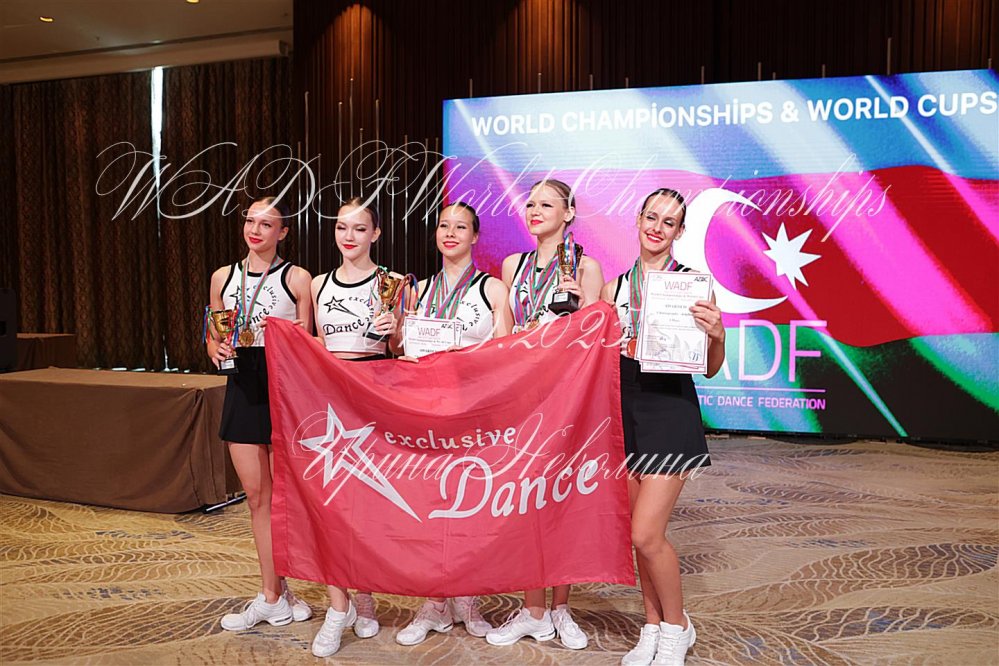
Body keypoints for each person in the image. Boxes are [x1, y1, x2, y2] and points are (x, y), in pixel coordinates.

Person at [602, 188, 724, 666]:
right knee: (638, 535)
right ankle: (651, 627)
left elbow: (710, 367)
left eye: (668, 222)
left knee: (645, 535)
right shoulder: (614, 288)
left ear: (680, 231)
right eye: (651, 217)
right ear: (638, 219)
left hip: (670, 411)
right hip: (626, 411)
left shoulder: (692, 285)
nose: (657, 227)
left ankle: (677, 628)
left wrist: (716, 335)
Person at [486, 178, 604, 650]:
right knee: (524, 499)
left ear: (569, 213)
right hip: (522, 395)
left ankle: (560, 607)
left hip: (566, 395)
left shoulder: (586, 266)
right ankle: (533, 610)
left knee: (560, 498)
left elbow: (597, 336)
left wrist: (583, 305)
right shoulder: (511, 265)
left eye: (547, 204)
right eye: (531, 203)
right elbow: (504, 332)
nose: (535, 210)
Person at [393, 201, 513, 646]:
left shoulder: (493, 289)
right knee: (429, 509)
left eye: (460, 227)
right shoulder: (417, 291)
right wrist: (400, 341)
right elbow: (400, 348)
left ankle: (467, 599)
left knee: (469, 509)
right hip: (426, 415)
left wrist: (467, 358)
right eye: (444, 226)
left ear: (475, 236)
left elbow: (506, 354)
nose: (450, 233)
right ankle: (433, 603)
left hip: (474, 415)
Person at [206, 196, 315, 632]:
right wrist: (213, 348)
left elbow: (309, 340)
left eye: (267, 224)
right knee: (257, 497)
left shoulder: (298, 278)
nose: (255, 230)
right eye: (251, 221)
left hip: (284, 390)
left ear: (282, 232)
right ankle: (275, 593)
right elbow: (214, 332)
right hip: (242, 387)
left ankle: (278, 593)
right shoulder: (222, 277)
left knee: (287, 499)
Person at [308, 196, 402, 657]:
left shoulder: (394, 283)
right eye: (342, 227)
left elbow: (404, 350)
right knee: (329, 506)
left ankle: (363, 598)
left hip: (372, 401)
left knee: (364, 509)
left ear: (375, 234)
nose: (349, 236)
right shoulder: (318, 284)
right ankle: (338, 606)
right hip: (328, 404)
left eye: (360, 228)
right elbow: (312, 346)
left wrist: (396, 329)